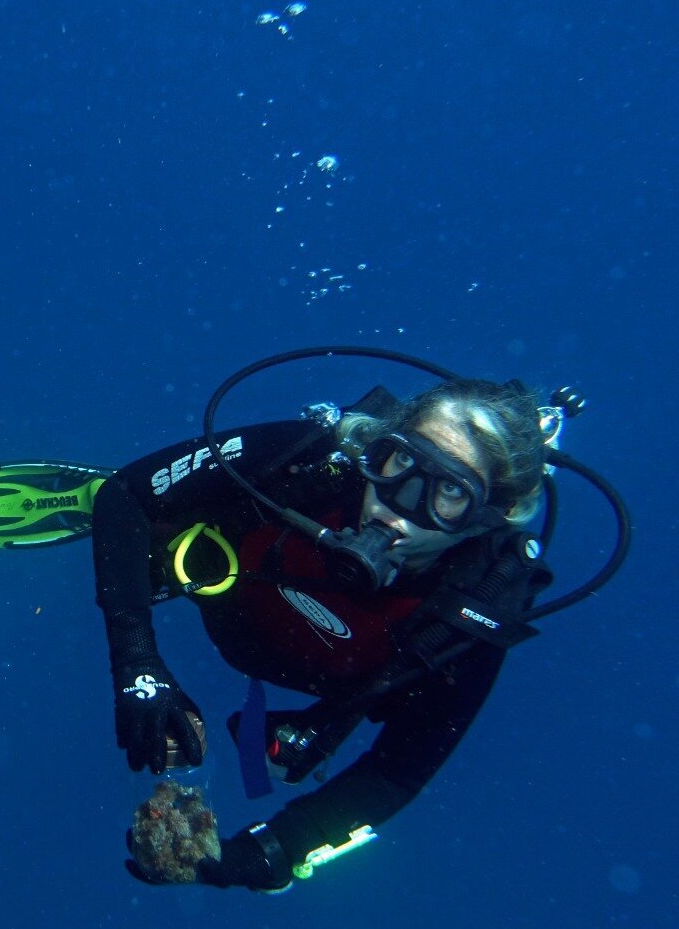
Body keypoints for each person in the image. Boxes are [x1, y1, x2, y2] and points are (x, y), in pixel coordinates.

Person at [91, 377, 554, 890]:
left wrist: (275, 850)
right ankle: (167, 541)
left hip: (309, 682)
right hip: (222, 595)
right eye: (399, 461)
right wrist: (139, 666)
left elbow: (397, 771)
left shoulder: (471, 613)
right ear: (377, 443)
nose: (397, 506)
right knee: (165, 522)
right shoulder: (317, 459)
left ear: (487, 519)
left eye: (449, 491)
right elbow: (126, 492)